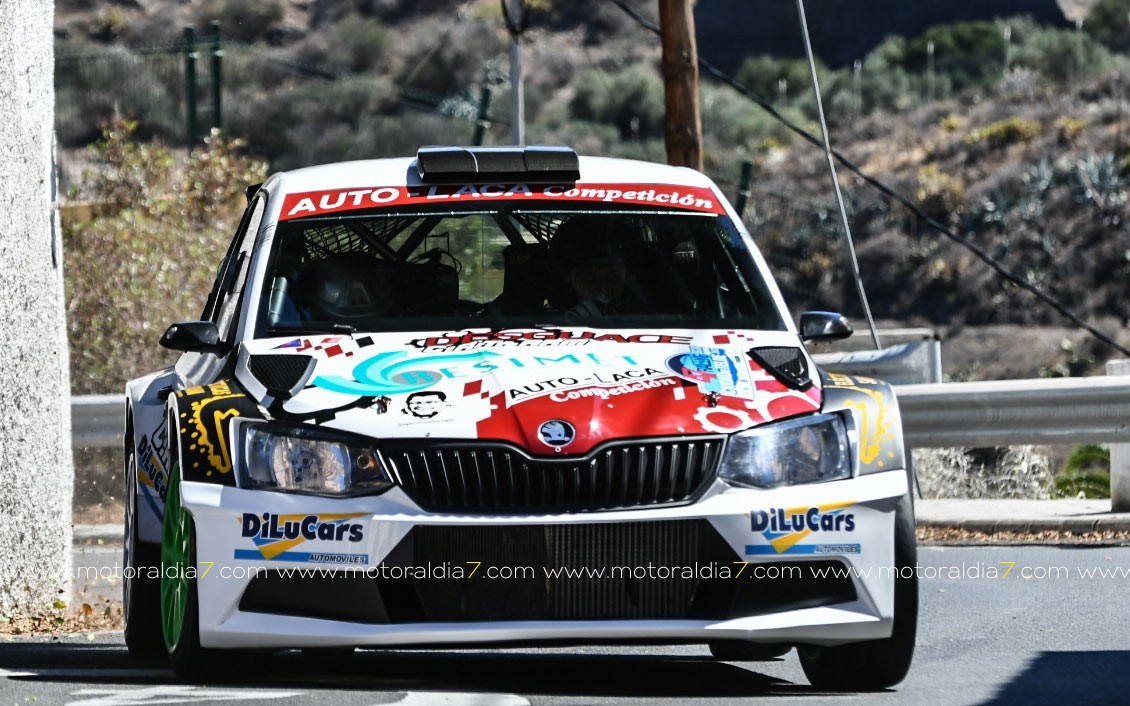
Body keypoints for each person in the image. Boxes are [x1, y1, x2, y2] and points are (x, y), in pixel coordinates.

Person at [550, 215, 645, 317]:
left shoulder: (650, 319)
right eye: (589, 278)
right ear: (568, 279)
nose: (602, 288)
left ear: (627, 277)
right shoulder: (549, 322)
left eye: (612, 277)